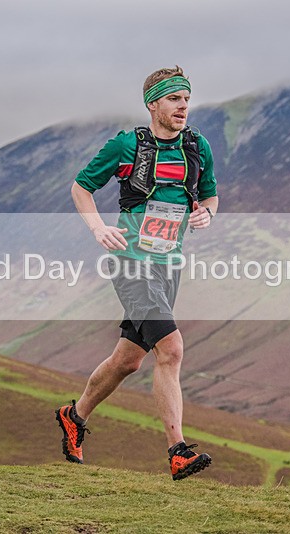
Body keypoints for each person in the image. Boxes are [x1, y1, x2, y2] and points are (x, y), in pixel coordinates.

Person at [56, 66, 218, 480]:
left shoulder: (198, 146)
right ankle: (177, 450)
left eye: (186, 99)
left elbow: (211, 196)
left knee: (128, 360)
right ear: (153, 104)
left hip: (168, 264)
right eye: (174, 99)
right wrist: (98, 228)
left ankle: (74, 416)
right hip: (131, 261)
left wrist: (206, 215)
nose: (183, 106)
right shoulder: (127, 145)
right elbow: (81, 186)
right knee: (172, 349)